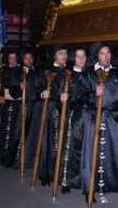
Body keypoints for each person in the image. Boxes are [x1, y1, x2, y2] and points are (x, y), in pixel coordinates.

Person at [79, 41, 118, 202]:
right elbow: (80, 96)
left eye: (108, 53)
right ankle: (90, 188)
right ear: (97, 56)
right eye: (102, 53)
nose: (106, 57)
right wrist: (94, 94)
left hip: (116, 118)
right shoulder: (88, 74)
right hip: (94, 117)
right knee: (92, 154)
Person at [33, 44, 71, 186]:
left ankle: (63, 174)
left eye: (65, 52)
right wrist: (43, 93)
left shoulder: (70, 71)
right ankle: (49, 173)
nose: (63, 56)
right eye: (60, 53)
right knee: (51, 142)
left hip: (67, 111)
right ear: (54, 55)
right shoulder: (46, 71)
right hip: (51, 110)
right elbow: (36, 89)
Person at [60, 47, 88, 193]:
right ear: (74, 59)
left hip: (89, 118)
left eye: (83, 56)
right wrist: (63, 97)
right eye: (78, 56)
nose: (81, 59)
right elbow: (60, 94)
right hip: (75, 117)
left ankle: (85, 180)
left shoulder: (92, 75)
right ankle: (68, 180)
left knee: (87, 149)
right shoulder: (68, 76)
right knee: (71, 148)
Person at [0, 50, 22, 167]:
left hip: (20, 104)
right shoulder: (3, 70)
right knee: (6, 129)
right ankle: (3, 154)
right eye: (11, 58)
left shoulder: (23, 70)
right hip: (8, 103)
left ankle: (15, 156)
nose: (13, 60)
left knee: (18, 131)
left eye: (15, 57)